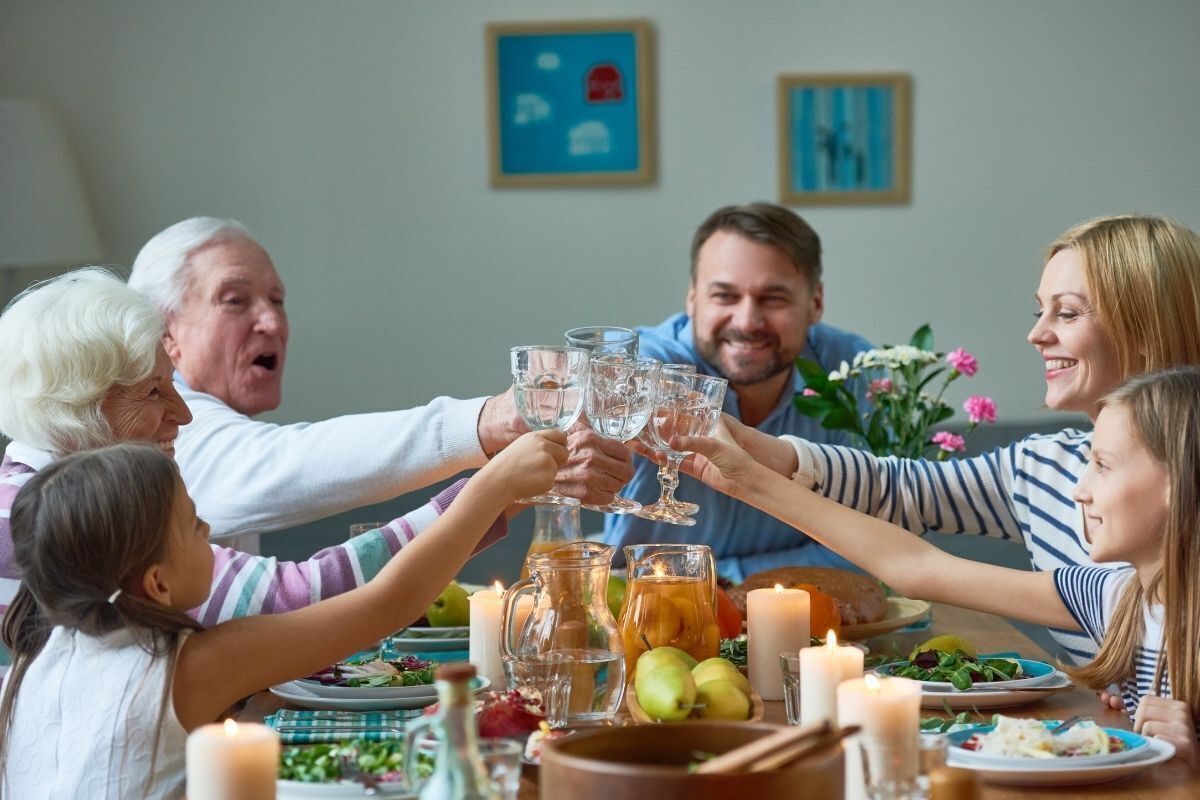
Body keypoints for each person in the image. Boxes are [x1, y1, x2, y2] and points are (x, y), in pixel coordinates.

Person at [688, 214, 1200, 666]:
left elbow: (920, 568)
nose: (1036, 334)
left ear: (1146, 327)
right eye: (1038, 311)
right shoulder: (1042, 468)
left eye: (1066, 313)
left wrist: (748, 482)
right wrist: (758, 448)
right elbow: (905, 493)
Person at [678, 366, 1200, 766]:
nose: (1080, 490)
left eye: (1102, 465)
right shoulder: (1114, 596)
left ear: (1177, 483)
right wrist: (750, 483)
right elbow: (913, 564)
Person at [0, 430, 565, 796]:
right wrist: (490, 487)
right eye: (196, 525)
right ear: (157, 583)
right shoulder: (187, 665)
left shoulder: (40, 659)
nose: (210, 534)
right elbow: (386, 604)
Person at [0, 269, 507, 663]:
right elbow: (302, 598)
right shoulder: (72, 523)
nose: (183, 414)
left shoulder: (35, 500)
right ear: (78, 408)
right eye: (155, 392)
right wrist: (492, 493)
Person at [128, 217, 631, 548]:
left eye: (277, 300)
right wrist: (488, 423)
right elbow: (288, 461)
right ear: (162, 327)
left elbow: (318, 586)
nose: (273, 323)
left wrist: (516, 484)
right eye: (235, 301)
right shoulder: (156, 438)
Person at [603, 202, 873, 580]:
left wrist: (727, 579)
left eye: (773, 298)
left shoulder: (858, 373)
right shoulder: (649, 366)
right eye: (725, 296)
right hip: (643, 614)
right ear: (693, 299)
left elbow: (878, 543)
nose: (747, 322)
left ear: (815, 304)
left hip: (817, 622)